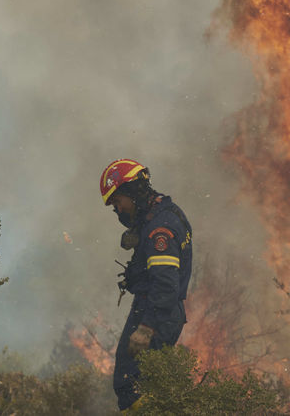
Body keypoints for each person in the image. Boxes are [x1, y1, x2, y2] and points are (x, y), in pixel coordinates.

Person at [100, 159, 194, 411]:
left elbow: (165, 285)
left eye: (118, 202)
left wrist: (146, 328)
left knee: (129, 385)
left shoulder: (159, 230)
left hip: (156, 313)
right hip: (161, 311)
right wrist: (137, 235)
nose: (118, 210)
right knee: (148, 383)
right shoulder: (164, 210)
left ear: (133, 192)